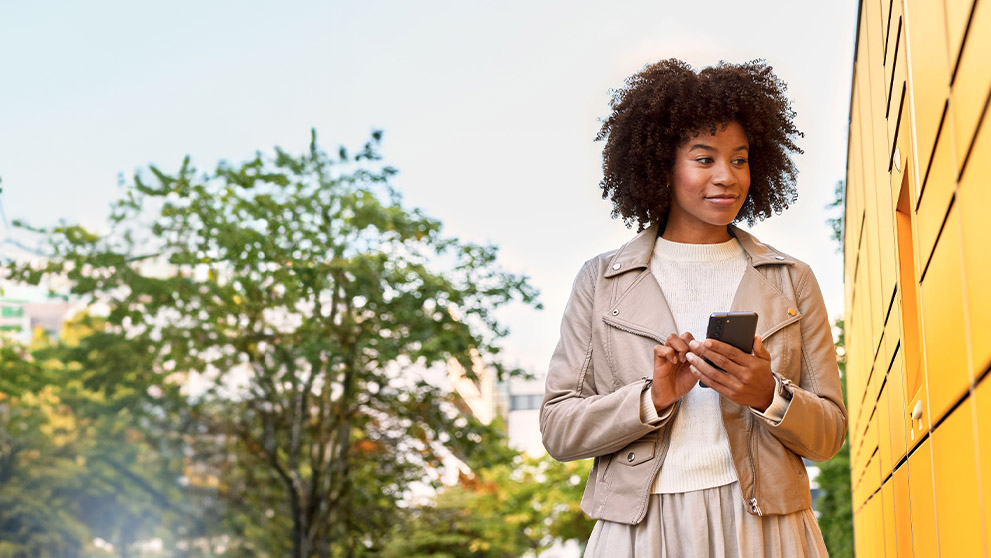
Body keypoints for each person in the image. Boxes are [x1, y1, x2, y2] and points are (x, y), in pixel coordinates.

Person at [539, 59, 846, 557]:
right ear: (662, 165)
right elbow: (558, 428)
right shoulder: (600, 281)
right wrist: (651, 398)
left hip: (766, 526)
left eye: (740, 159)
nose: (726, 177)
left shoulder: (792, 279)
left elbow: (829, 436)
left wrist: (768, 393)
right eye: (704, 159)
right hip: (640, 528)